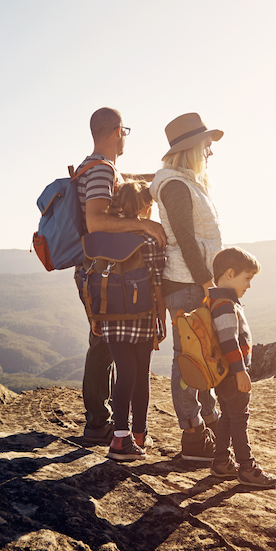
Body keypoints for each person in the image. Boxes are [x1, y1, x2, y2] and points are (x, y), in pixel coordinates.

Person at [76, 107, 166, 443]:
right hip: (103, 272)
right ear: (117, 131)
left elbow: (119, 192)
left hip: (101, 270)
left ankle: (107, 423)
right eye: (125, 130)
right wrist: (143, 224)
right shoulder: (100, 171)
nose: (125, 136)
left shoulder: (99, 168)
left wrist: (160, 177)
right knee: (104, 346)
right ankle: (101, 424)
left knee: (105, 343)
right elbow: (97, 221)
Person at [150, 112, 224, 462]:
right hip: (187, 283)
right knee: (188, 359)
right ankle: (193, 436)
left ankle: (207, 423)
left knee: (201, 354)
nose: (210, 152)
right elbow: (186, 239)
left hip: (192, 282)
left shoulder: (184, 181)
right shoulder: (177, 185)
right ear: (192, 147)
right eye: (207, 146)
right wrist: (207, 281)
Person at [98, 181, 166, 461]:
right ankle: (129, 436)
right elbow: (157, 283)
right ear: (146, 207)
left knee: (125, 374)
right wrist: (161, 318)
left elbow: (92, 276)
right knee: (140, 376)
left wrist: (95, 316)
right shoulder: (150, 239)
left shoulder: (104, 237)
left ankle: (126, 435)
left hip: (111, 316)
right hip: (142, 316)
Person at [207, 246, 276, 488]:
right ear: (229, 274)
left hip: (224, 374)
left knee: (227, 416)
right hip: (232, 373)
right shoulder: (224, 305)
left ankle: (221, 462)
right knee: (239, 419)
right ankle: (247, 468)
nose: (249, 285)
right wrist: (240, 371)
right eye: (246, 278)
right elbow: (228, 341)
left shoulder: (217, 300)